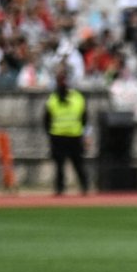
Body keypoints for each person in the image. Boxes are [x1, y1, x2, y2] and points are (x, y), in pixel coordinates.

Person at [44, 68, 89, 196]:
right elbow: (47, 119)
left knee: (77, 164)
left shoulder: (74, 98)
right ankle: (61, 188)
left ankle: (82, 187)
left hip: (71, 136)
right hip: (62, 136)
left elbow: (84, 117)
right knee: (61, 166)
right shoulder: (56, 98)